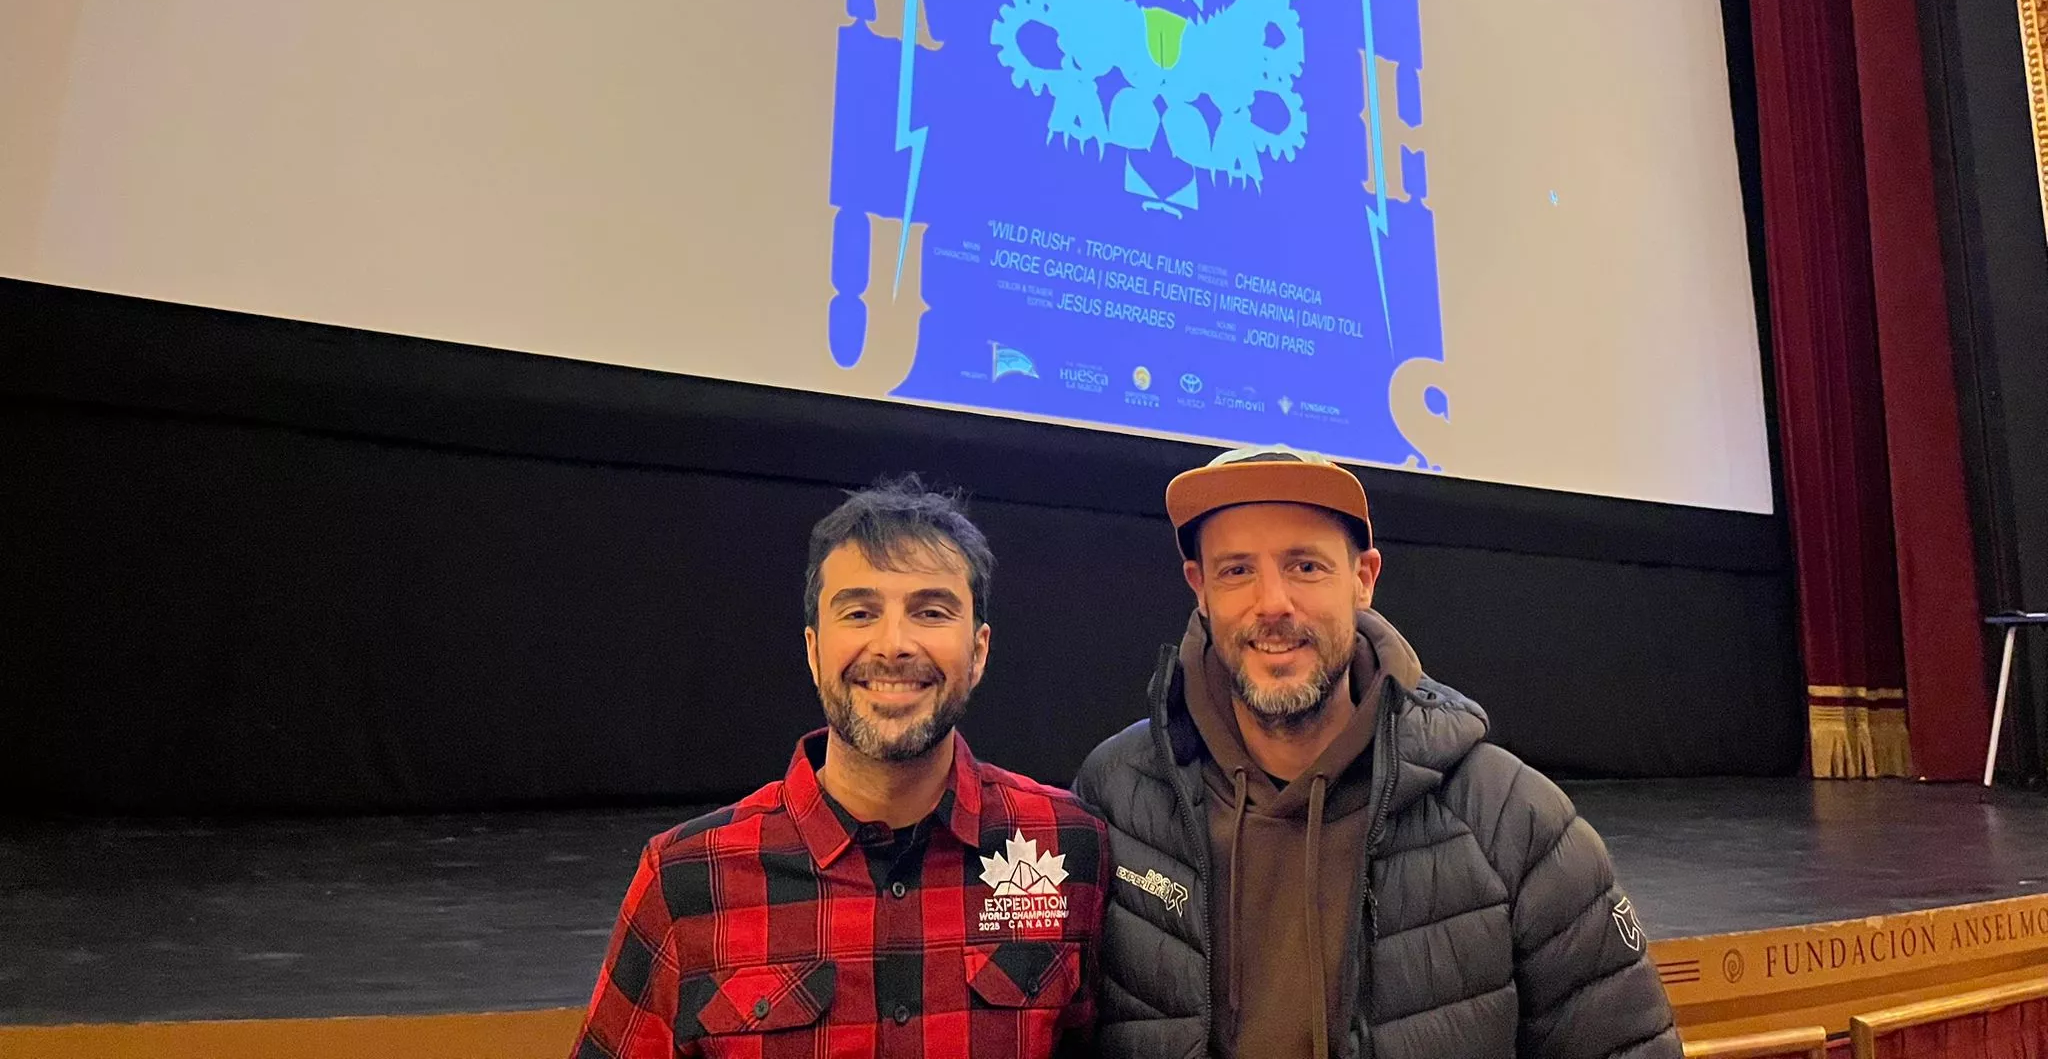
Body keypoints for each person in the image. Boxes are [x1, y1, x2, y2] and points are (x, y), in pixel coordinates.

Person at [1074, 445, 1681, 1059]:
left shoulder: (1513, 821)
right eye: (1237, 571)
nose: (1273, 603)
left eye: (1305, 567)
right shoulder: (1116, 800)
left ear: (1363, 580)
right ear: (1199, 589)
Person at [571, 477, 1107, 1058]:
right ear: (813, 649)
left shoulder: (1068, 846)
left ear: (977, 652)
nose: (893, 644)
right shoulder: (687, 881)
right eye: (859, 612)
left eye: (930, 611)